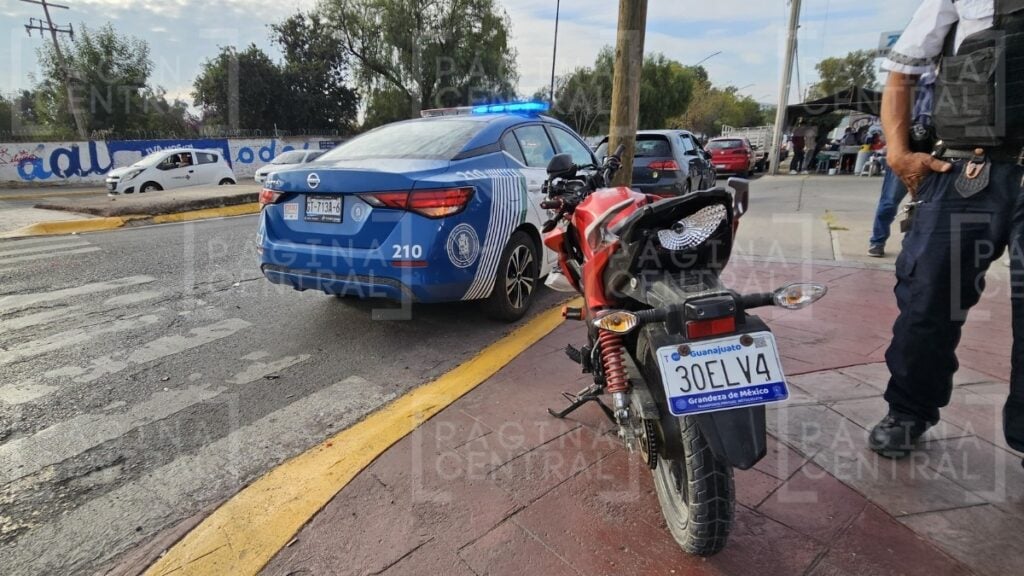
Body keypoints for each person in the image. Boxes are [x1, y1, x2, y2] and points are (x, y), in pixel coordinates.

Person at [870, 0, 1024, 461]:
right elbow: (903, 71)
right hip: (966, 168)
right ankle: (908, 410)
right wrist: (899, 152)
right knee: (928, 298)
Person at [868, 74, 934, 257]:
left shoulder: (953, 81)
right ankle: (877, 240)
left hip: (937, 151)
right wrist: (896, 149)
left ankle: (911, 243)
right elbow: (892, 112)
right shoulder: (912, 79)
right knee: (890, 200)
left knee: (924, 203)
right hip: (908, 148)